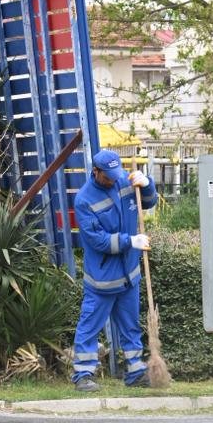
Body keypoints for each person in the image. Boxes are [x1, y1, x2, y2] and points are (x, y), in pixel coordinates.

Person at [72, 149, 157, 391]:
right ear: (95, 172)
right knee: (89, 327)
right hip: (102, 280)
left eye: (114, 174)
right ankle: (82, 376)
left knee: (131, 326)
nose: (112, 179)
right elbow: (97, 240)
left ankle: (136, 372)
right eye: (107, 175)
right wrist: (130, 241)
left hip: (129, 275)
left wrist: (147, 185)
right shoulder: (84, 200)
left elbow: (148, 202)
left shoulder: (124, 180)